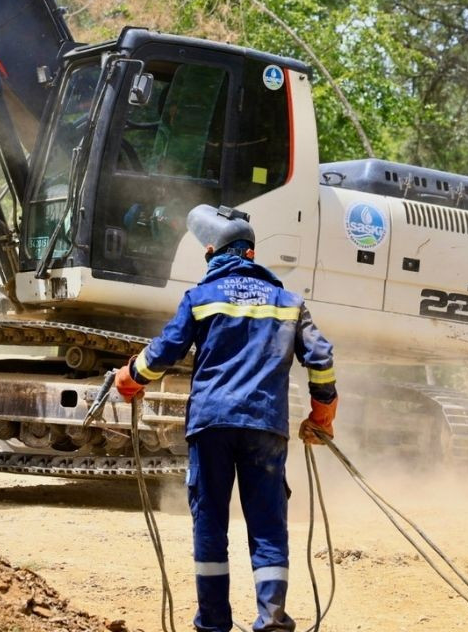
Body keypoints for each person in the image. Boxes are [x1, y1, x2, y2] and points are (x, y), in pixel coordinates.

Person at [114, 204, 338, 632]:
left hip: (211, 425)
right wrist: (322, 413)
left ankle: (214, 623)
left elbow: (165, 350)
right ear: (251, 254)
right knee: (268, 525)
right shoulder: (289, 303)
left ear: (214, 252)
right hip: (265, 427)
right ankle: (271, 619)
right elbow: (321, 358)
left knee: (211, 523)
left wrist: (130, 379)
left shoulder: (201, 297)